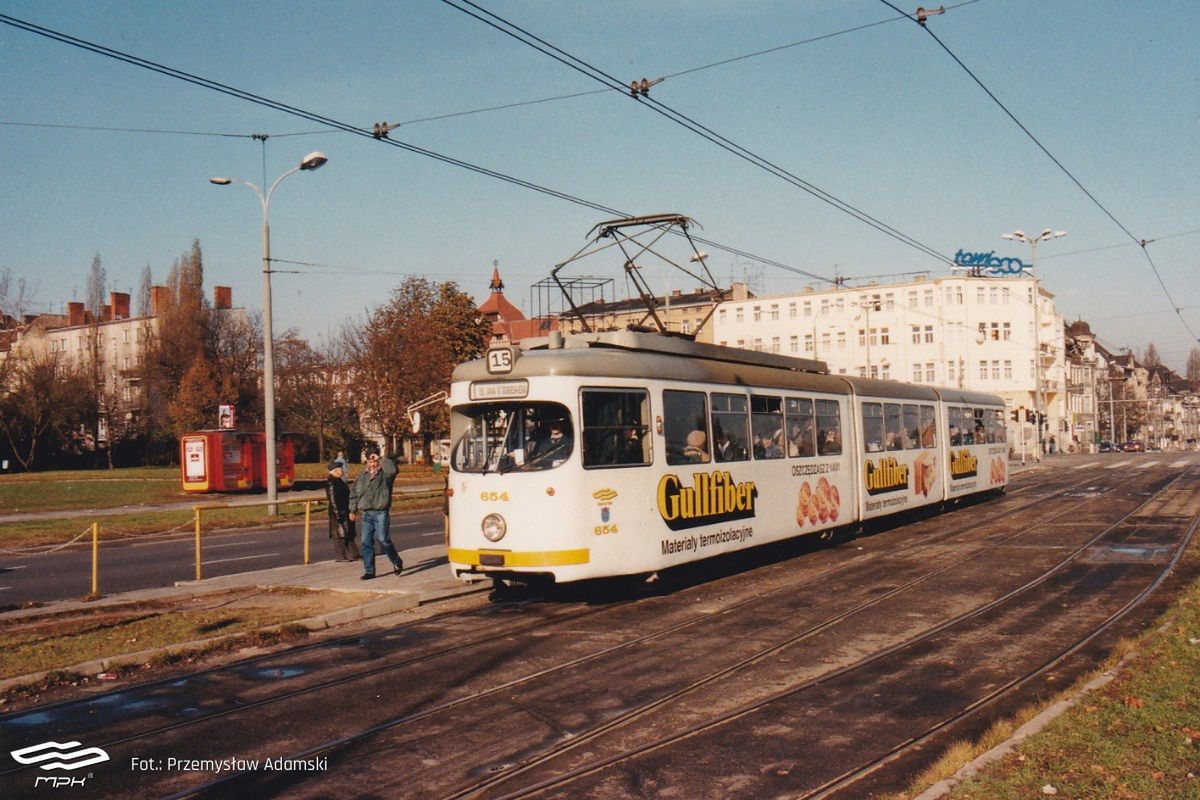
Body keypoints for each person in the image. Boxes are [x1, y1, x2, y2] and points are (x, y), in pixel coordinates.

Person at [350, 450, 403, 580]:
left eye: (374, 461)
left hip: (380, 511)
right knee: (366, 542)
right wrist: (352, 510)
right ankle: (369, 571)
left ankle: (396, 561)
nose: (372, 463)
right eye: (370, 461)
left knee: (383, 539)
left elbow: (393, 469)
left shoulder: (385, 474)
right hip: (366, 512)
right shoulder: (362, 476)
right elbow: (354, 493)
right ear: (366, 462)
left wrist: (381, 459)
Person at [325, 461, 359, 562]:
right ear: (335, 471)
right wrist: (337, 514)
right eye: (340, 469)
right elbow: (332, 499)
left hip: (344, 510)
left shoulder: (338, 481)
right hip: (339, 512)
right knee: (340, 535)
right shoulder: (331, 482)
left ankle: (353, 554)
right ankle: (341, 556)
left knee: (349, 533)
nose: (342, 470)